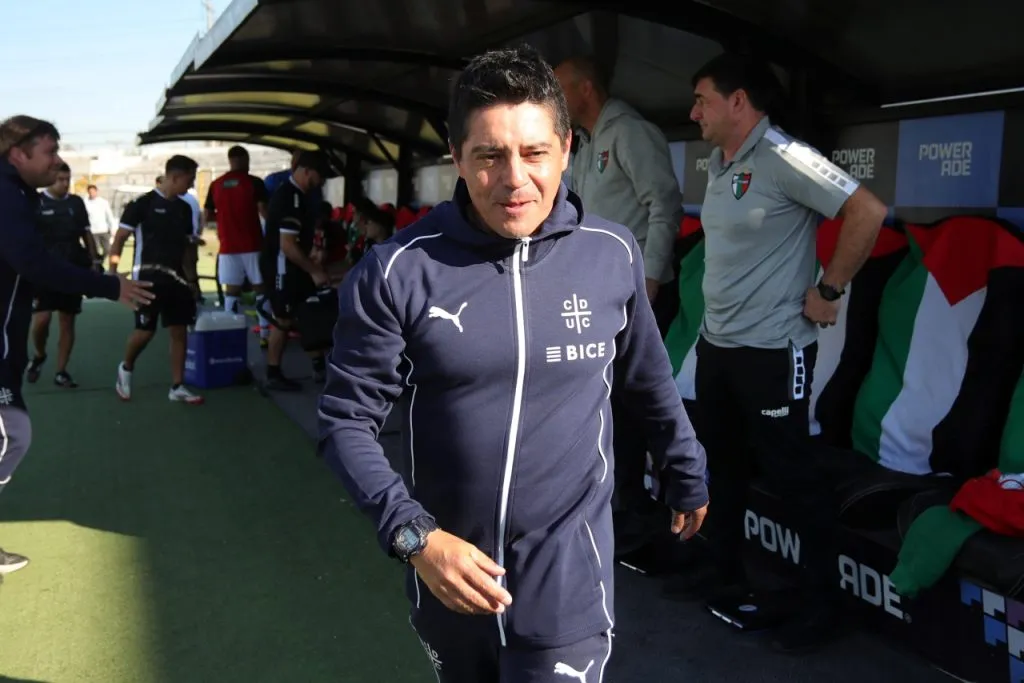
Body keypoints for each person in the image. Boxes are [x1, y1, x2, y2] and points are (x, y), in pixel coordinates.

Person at [317, 46, 709, 682]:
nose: (515, 179)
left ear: (566, 148)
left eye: (534, 153)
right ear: (457, 158)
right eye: (490, 156)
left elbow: (645, 376)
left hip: (568, 583)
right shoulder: (396, 271)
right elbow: (344, 422)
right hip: (450, 578)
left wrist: (685, 465)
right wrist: (416, 536)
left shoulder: (611, 253)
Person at [678, 53, 886, 652]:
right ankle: (723, 574)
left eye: (702, 100)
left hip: (773, 350)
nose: (694, 112)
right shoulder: (721, 162)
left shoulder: (784, 156)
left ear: (738, 101)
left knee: (795, 477)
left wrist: (829, 289)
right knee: (725, 466)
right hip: (719, 347)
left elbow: (866, 211)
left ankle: (820, 607)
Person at [0, 115, 153, 574]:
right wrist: (109, 285)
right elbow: (30, 260)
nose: (59, 160)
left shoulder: (16, 192)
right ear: (18, 154)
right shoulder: (6, 193)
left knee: (13, 434)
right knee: (11, 434)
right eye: (49, 151)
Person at [553, 55, 686, 556]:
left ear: (586, 89)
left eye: (562, 89)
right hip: (596, 295)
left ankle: (655, 520)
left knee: (639, 404)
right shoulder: (584, 144)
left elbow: (664, 205)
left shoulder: (630, 131)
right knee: (609, 406)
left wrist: (649, 278)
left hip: (641, 294)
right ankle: (624, 510)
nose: (556, 99)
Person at [109, 155, 205, 405]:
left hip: (177, 280)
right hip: (148, 279)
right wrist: (114, 272)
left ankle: (177, 386)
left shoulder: (184, 208)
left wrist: (192, 281)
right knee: (145, 332)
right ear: (174, 177)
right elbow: (119, 239)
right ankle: (126, 368)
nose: (191, 185)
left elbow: (186, 247)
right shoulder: (142, 204)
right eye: (189, 179)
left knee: (179, 330)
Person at [26, 163, 102, 389]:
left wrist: (95, 260)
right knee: (41, 320)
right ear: (50, 178)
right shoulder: (35, 202)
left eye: (68, 179)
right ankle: (39, 354)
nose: (65, 184)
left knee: (67, 321)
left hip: (71, 267)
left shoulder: (76, 203)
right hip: (43, 270)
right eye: (60, 179)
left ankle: (61, 371)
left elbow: (86, 233)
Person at [259, 150, 330, 390]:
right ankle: (273, 372)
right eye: (319, 177)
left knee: (309, 311)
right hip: (282, 267)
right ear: (307, 171)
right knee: (283, 319)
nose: (320, 182)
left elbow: (297, 240)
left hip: (293, 266)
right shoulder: (289, 197)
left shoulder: (301, 196)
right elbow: (287, 245)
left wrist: (311, 256)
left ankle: (319, 365)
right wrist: (314, 270)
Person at [204, 145, 270, 339]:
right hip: (253, 244)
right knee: (260, 287)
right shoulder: (254, 182)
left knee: (231, 290)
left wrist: (225, 219)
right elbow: (264, 211)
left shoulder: (216, 184)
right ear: (246, 160)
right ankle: (265, 333)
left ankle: (229, 332)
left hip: (228, 246)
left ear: (230, 160)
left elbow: (207, 216)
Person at [84, 184, 117, 262]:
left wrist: (113, 228)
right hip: (93, 231)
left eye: (93, 192)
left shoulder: (103, 202)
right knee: (94, 250)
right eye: (90, 192)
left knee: (108, 249)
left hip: (104, 230)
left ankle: (100, 261)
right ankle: (96, 264)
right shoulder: (85, 203)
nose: (92, 194)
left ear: (96, 192)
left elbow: (109, 215)